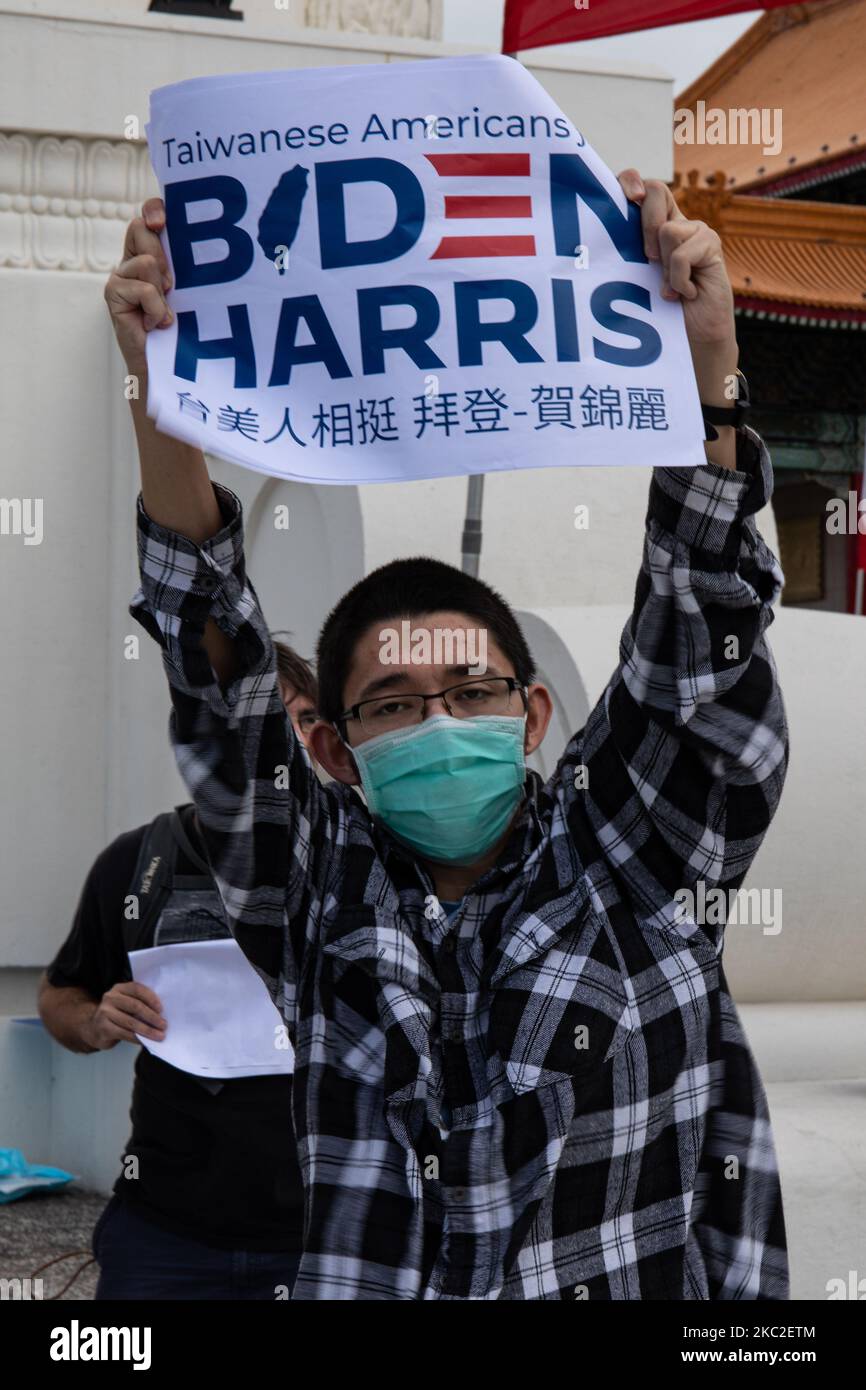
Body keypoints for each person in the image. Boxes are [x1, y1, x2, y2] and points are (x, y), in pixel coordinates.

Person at [104, 168, 789, 1300]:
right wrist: (159, 393)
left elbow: (691, 659)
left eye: (472, 693)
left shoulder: (633, 870)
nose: (439, 721)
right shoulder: (309, 896)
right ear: (331, 747)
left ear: (531, 715)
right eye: (393, 703)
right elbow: (218, 672)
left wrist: (707, 374)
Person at [37, 645, 319, 1301]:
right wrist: (96, 1018)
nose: (283, 743)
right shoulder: (140, 863)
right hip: (165, 1236)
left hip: (328, 1239)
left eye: (301, 721)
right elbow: (59, 993)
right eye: (253, 723)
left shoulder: (371, 865)